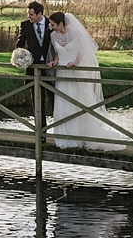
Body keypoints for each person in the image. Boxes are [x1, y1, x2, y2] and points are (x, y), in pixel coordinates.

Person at [47, 12, 127, 151]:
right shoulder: (53, 35)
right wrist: (54, 61)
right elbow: (58, 52)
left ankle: (82, 134)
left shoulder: (76, 34)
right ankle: (66, 137)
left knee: (78, 102)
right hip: (61, 72)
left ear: (61, 23)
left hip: (75, 70)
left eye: (53, 24)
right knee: (63, 102)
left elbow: (83, 51)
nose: (51, 26)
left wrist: (76, 62)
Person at [15, 1, 55, 135]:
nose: (29, 16)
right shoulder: (25, 25)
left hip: (50, 68)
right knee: (38, 104)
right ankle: (41, 133)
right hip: (33, 69)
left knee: (55, 100)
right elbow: (19, 45)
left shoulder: (51, 24)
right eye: (28, 13)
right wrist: (20, 56)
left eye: (31, 14)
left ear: (40, 14)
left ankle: (60, 132)